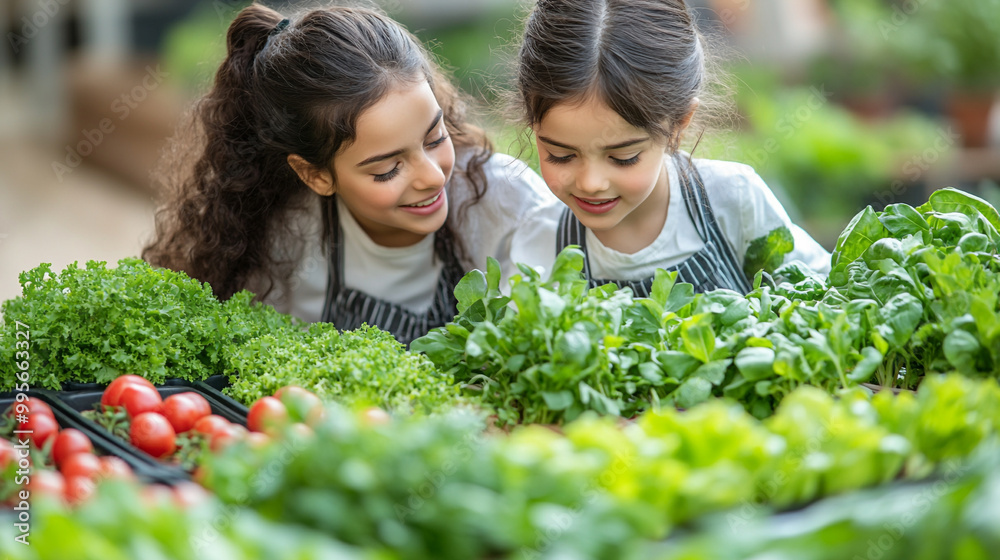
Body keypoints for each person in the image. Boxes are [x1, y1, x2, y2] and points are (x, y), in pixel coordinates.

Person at [142, 3, 553, 344]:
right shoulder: (285, 237)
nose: (430, 176)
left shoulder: (509, 206)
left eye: (434, 137)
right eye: (388, 168)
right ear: (315, 175)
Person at [507, 0, 830, 296]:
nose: (591, 182)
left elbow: (817, 295)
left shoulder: (730, 199)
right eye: (561, 155)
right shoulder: (542, 240)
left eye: (624, 157)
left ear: (678, 123)